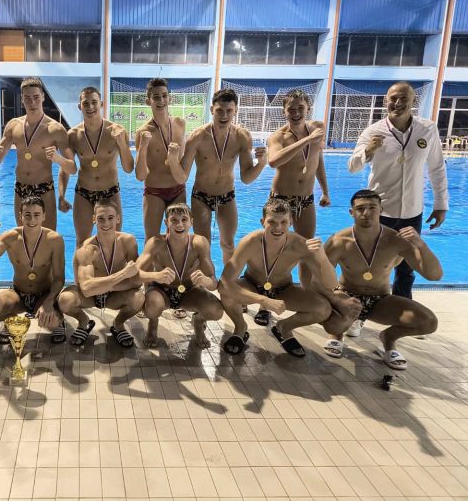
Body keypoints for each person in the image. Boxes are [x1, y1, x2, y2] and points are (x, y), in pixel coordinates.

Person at [348, 81, 448, 312]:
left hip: (412, 210)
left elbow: (437, 167)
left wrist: (441, 204)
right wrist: (368, 150)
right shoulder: (372, 131)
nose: (398, 103)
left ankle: (401, 309)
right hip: (378, 212)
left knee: (407, 267)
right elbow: (352, 166)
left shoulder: (427, 129)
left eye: (404, 98)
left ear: (413, 101)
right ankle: (362, 309)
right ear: (386, 101)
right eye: (393, 98)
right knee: (370, 262)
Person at [321, 190, 442, 368]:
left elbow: (434, 275)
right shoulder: (338, 241)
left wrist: (421, 245)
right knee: (323, 311)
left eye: (372, 207)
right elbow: (319, 279)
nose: (366, 213)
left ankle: (388, 338)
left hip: (381, 300)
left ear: (381, 210)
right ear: (351, 212)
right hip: (347, 297)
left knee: (429, 322)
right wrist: (336, 298)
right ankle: (336, 334)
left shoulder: (396, 240)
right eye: (360, 208)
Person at [218, 198, 337, 357]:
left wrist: (322, 258)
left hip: (283, 289)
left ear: (291, 222)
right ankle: (240, 328)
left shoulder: (300, 245)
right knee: (227, 294)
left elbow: (331, 284)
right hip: (252, 284)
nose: (278, 227)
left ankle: (284, 328)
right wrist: (263, 300)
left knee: (323, 309)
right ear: (262, 222)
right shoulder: (250, 242)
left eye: (283, 222)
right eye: (272, 222)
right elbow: (224, 283)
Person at [258, 89, 330, 326]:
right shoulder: (278, 136)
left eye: (301, 108)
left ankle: (307, 298)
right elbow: (273, 161)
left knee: (306, 250)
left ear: (308, 109)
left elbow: (318, 159)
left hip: (306, 199)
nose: (296, 113)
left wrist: (325, 191)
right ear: (284, 111)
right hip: (281, 200)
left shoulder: (317, 128)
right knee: (273, 251)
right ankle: (265, 305)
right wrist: (306, 140)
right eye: (291, 109)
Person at [179, 88, 267, 262]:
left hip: (227, 196)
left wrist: (262, 164)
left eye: (229, 110)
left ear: (236, 111)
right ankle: (205, 278)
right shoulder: (197, 136)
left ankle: (228, 279)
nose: (224, 115)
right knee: (202, 245)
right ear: (212, 109)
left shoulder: (242, 137)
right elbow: (183, 175)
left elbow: (246, 178)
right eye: (219, 110)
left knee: (228, 244)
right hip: (201, 197)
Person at [0, 77, 76, 229]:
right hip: (21, 188)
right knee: (23, 236)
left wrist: (58, 159)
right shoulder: (13, 126)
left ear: (43, 97)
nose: (32, 103)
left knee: (48, 237)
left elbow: (73, 168)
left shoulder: (55, 129)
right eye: (27, 98)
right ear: (22, 99)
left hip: (44, 189)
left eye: (36, 97)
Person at [0, 197, 67, 344]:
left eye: (37, 215)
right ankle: (12, 320)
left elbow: (59, 278)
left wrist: (49, 302)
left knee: (52, 323)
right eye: (27, 215)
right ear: (20, 216)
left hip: (44, 294)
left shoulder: (54, 240)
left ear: (44, 216)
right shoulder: (10, 237)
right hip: (18, 293)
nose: (32, 220)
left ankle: (59, 320)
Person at [57, 199, 144, 348]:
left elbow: (136, 281)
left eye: (110, 218)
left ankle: (118, 324)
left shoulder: (128, 241)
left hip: (115, 296)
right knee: (65, 300)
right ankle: (84, 322)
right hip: (90, 297)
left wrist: (107, 286)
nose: (106, 223)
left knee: (138, 298)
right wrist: (123, 275)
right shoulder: (87, 247)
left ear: (118, 218)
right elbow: (86, 288)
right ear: (93, 219)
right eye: (101, 219)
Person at [136, 203, 223, 348]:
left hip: (189, 291)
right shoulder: (156, 243)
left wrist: (206, 281)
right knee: (151, 308)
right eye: (174, 220)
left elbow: (214, 283)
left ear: (191, 222)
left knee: (216, 311)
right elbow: (134, 274)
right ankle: (153, 323)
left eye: (184, 219)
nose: (179, 224)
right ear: (166, 223)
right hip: (160, 290)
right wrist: (155, 276)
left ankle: (198, 321)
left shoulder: (199, 243)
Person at [58, 87, 134, 247]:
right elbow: (65, 167)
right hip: (84, 193)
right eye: (86, 103)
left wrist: (121, 143)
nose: (90, 107)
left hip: (110, 192)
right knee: (82, 242)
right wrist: (61, 195)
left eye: (94, 102)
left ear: (101, 104)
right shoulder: (73, 135)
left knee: (113, 240)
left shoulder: (117, 131)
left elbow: (128, 168)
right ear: (80, 106)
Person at [136, 78, 187, 242]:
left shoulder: (180, 124)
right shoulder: (143, 132)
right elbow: (140, 176)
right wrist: (143, 146)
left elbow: (183, 162)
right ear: (148, 101)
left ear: (170, 98)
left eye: (164, 96)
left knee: (178, 239)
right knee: (152, 240)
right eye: (156, 97)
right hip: (154, 192)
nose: (161, 101)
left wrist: (173, 160)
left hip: (178, 190)